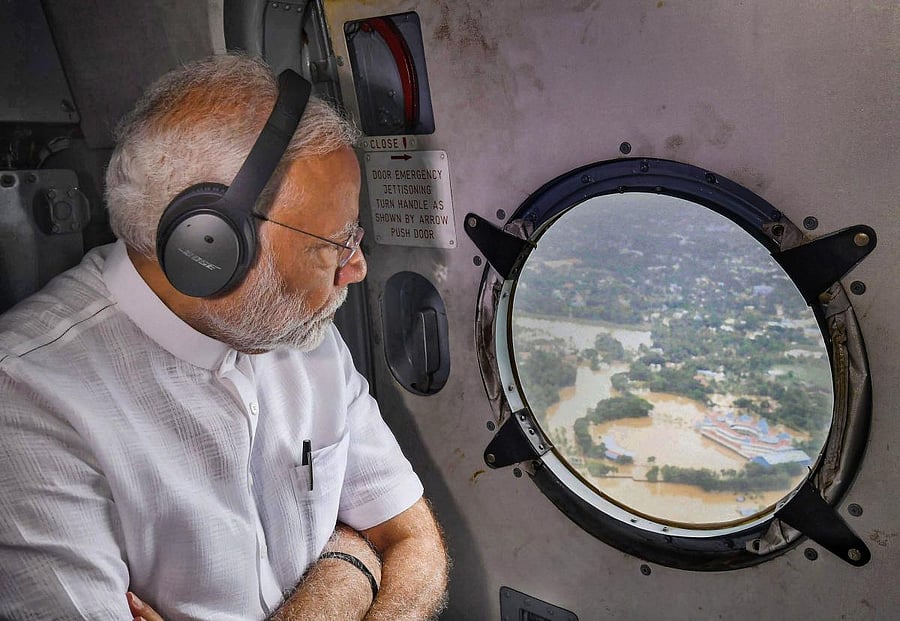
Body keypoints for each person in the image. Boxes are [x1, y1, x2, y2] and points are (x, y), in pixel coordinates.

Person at [0, 54, 448, 620]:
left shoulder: (302, 333)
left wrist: (347, 568)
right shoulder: (25, 402)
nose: (355, 270)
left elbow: (410, 539)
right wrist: (352, 557)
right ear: (210, 246)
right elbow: (374, 539)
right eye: (333, 243)